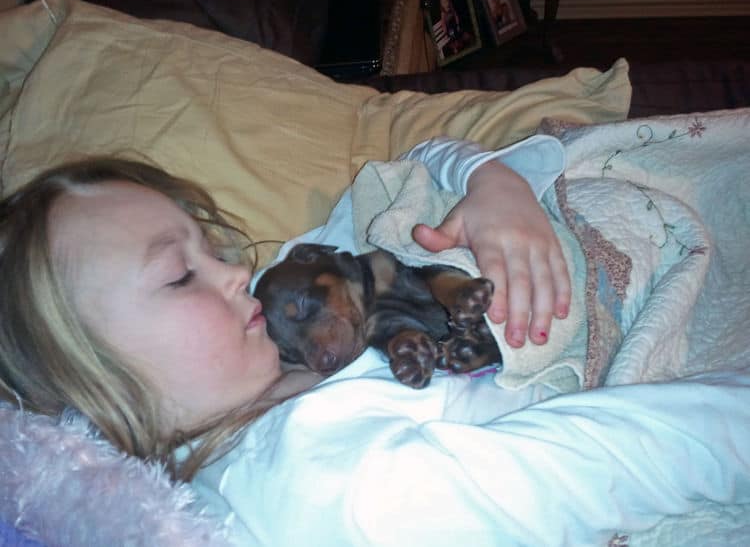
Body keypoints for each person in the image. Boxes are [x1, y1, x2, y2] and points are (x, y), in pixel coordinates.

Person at [1, 137, 748, 546]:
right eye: (177, 276)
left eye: (210, 246)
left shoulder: (278, 320)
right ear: (93, 394)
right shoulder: (331, 491)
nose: (234, 271)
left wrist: (495, 184)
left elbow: (416, 161)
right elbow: (630, 455)